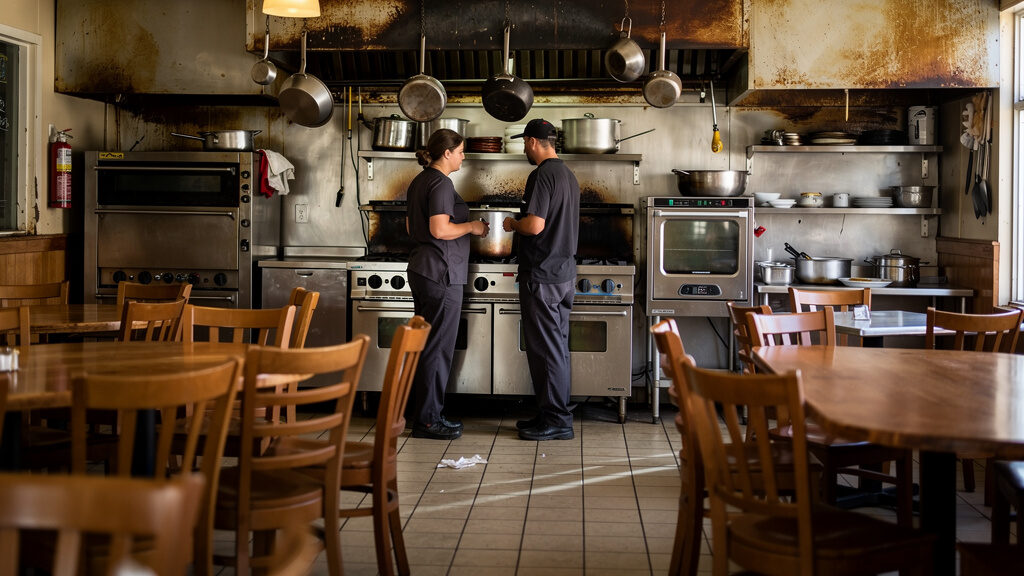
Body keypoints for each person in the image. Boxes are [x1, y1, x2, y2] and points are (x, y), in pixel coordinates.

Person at [406, 128, 488, 440]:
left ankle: (424, 415)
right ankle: (429, 421)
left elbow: (411, 225)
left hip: (423, 269)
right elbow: (439, 229)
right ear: (447, 153)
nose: (463, 157)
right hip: (441, 273)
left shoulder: (420, 181)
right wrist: (473, 226)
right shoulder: (440, 182)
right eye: (461, 151)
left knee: (427, 345)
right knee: (438, 347)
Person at [503, 118, 580, 441]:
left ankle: (557, 420)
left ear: (534, 142)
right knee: (555, 348)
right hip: (562, 275)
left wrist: (512, 223)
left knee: (546, 350)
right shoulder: (567, 175)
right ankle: (551, 412)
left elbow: (534, 225)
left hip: (543, 275)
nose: (524, 148)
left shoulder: (542, 175)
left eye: (524, 143)